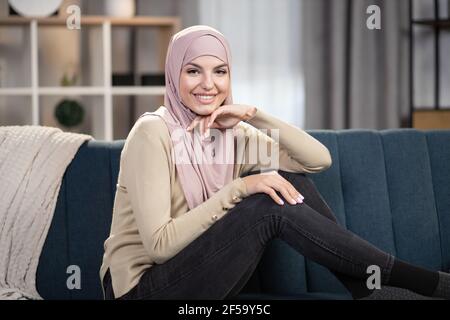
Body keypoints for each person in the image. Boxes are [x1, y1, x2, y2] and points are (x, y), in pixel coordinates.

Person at [99, 25, 450, 300]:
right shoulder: (151, 132)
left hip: (204, 274)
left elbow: (316, 161)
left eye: (220, 72)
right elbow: (160, 247)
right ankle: (418, 280)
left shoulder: (231, 135)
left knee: (284, 178)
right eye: (193, 71)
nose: (208, 85)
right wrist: (240, 187)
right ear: (174, 76)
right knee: (265, 202)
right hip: (142, 289)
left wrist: (255, 115)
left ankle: (365, 290)